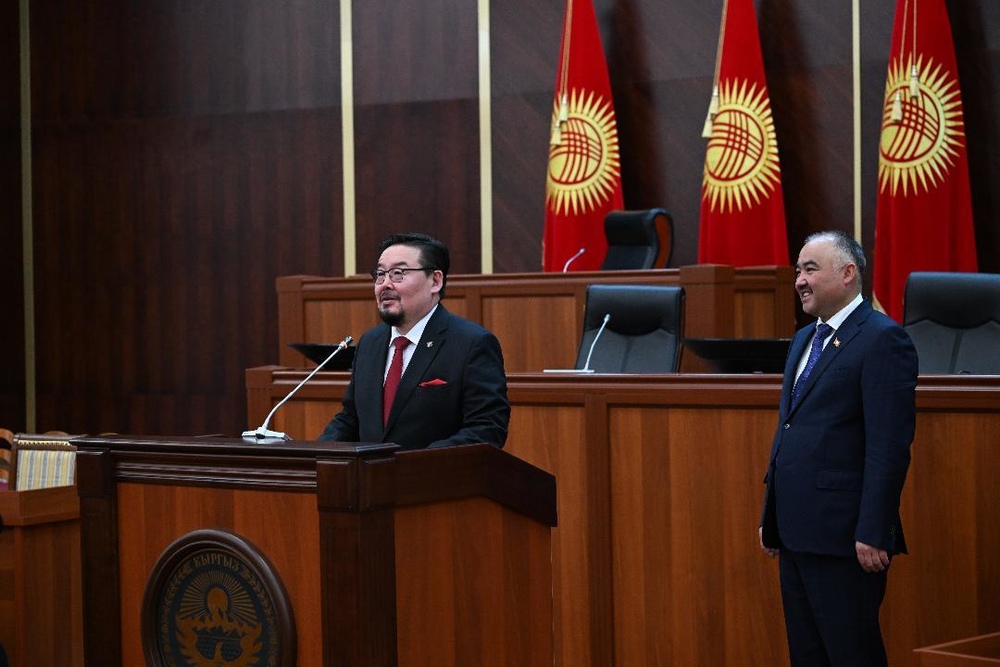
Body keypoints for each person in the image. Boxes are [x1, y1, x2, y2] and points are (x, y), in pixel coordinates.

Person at [759, 230, 918, 666]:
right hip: (795, 532)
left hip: (845, 537)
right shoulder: (803, 339)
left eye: (810, 269)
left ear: (848, 274)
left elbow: (889, 446)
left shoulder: (882, 339)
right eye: (798, 270)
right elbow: (788, 429)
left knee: (851, 655)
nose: (799, 280)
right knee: (807, 655)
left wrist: (873, 528)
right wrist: (770, 514)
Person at [319, 232, 510, 450]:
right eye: (380, 274)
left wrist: (414, 464)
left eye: (398, 273)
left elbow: (487, 429)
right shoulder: (370, 342)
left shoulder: (471, 343)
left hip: (433, 472)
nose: (385, 284)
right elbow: (350, 419)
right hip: (371, 473)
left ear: (435, 281)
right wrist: (315, 454)